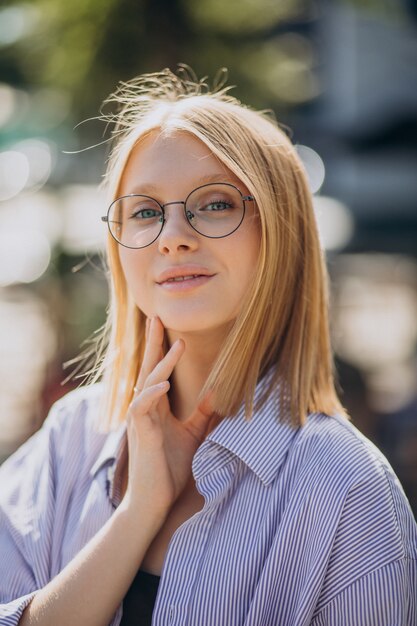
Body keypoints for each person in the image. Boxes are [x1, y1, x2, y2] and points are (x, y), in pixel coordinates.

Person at [0, 68, 416, 626]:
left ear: (281, 229)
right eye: (145, 211)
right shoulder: (69, 439)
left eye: (215, 203)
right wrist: (139, 509)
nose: (173, 235)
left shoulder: (345, 487)